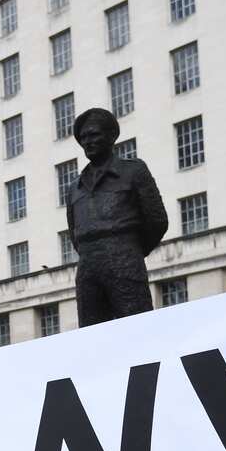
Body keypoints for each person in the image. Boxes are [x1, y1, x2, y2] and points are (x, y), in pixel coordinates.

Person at [65, 107, 168, 327]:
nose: (88, 142)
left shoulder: (134, 171)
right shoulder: (75, 187)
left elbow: (157, 220)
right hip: (88, 268)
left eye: (93, 135)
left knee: (137, 329)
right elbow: (74, 232)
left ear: (111, 136)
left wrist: (131, 249)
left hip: (125, 259)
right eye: (83, 138)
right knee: (92, 335)